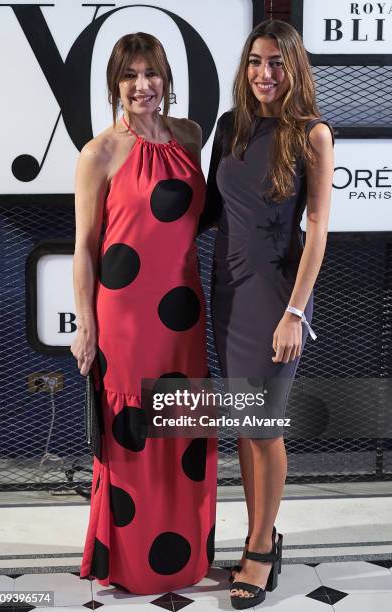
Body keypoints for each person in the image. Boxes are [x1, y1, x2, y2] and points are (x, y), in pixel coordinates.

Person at [71, 32, 217, 595]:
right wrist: (86, 324)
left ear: (166, 79)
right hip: (127, 319)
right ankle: (131, 563)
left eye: (151, 73)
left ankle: (182, 560)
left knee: (181, 431)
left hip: (182, 311)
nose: (141, 86)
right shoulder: (99, 152)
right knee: (132, 432)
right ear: (115, 83)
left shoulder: (190, 136)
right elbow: (85, 247)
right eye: (129, 75)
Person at [201, 20, 334, 610]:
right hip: (226, 292)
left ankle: (259, 548)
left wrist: (295, 313)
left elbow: (319, 230)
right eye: (256, 61)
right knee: (244, 430)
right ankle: (263, 534)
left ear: (295, 68)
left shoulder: (313, 135)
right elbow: (206, 210)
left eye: (277, 63)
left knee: (265, 427)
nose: (264, 74)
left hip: (276, 298)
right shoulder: (230, 127)